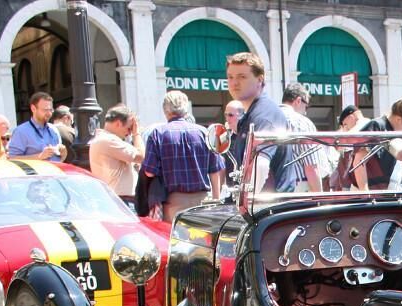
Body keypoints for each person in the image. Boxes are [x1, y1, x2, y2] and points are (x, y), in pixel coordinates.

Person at [141, 91, 224, 222]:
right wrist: (216, 200)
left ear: (165, 111)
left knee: (174, 241)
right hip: (203, 201)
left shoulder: (158, 134)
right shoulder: (204, 132)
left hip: (174, 202)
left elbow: (150, 172)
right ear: (186, 110)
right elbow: (215, 170)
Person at [226, 52, 296, 192]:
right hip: (265, 206)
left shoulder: (263, 115)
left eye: (242, 77)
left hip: (270, 207)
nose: (234, 82)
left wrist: (246, 200)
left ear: (260, 80)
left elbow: (261, 165)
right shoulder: (253, 113)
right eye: (230, 77)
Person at [352, 96, 402, 190]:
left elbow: (398, 168)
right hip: (367, 193)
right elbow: (359, 160)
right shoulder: (377, 126)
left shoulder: (392, 133)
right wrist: (365, 192)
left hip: (381, 191)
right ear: (398, 120)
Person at [88, 105, 144, 205]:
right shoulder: (108, 140)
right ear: (118, 123)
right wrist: (137, 134)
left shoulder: (104, 139)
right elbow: (141, 156)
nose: (129, 133)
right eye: (129, 128)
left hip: (116, 198)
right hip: (120, 200)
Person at [280, 83, 331, 192]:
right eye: (306, 105)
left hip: (268, 191)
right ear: (298, 101)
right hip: (298, 188)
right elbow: (311, 167)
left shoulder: (267, 119)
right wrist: (319, 199)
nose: (305, 111)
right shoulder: (302, 123)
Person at [7, 92, 63, 161]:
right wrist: (39, 156)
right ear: (33, 108)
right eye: (45, 110)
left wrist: (63, 153)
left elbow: (60, 158)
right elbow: (12, 159)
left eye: (51, 110)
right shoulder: (21, 131)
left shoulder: (54, 129)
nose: (49, 113)